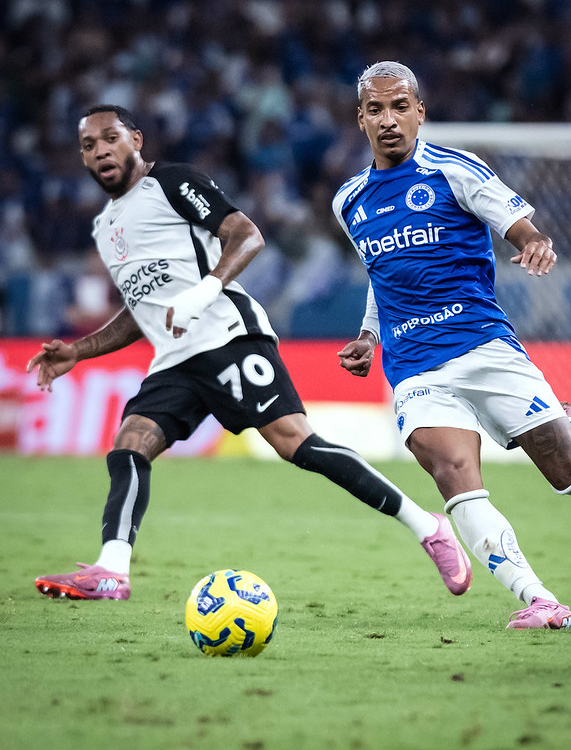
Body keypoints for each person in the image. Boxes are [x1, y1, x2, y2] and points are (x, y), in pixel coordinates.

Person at [27, 104, 473, 602]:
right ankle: (112, 570)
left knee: (296, 445)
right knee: (130, 443)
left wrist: (205, 289)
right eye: (89, 145)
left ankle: (426, 525)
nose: (101, 150)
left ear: (136, 139)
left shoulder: (171, 183)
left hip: (227, 337)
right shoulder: (108, 228)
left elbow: (246, 235)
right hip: (176, 359)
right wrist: (78, 351)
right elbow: (141, 309)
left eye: (110, 137)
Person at [333, 61, 571, 630]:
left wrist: (536, 245)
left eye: (399, 107)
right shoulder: (350, 200)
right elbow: (383, 273)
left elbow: (520, 226)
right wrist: (370, 335)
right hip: (415, 366)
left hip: (485, 348)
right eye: (375, 109)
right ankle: (539, 599)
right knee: (453, 474)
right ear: (359, 119)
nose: (388, 120)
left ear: (421, 111)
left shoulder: (455, 169)